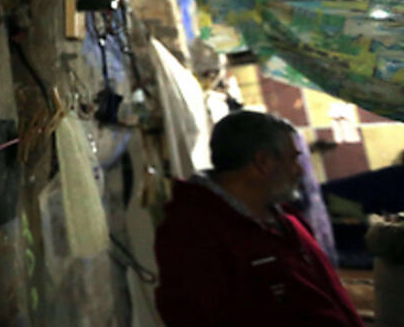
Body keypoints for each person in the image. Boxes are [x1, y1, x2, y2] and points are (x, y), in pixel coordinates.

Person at [154, 110, 362, 326]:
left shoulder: (288, 221)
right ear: (262, 162)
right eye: (293, 159)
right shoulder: (192, 235)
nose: (299, 170)